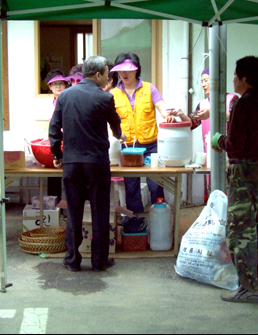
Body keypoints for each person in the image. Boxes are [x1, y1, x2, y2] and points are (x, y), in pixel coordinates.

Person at [211, 56, 258, 303]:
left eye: (236, 76)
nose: (233, 80)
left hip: (244, 174)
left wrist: (218, 140)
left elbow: (235, 146)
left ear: (245, 79)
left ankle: (248, 287)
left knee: (241, 231)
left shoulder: (242, 104)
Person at [50, 55, 126, 272]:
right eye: (107, 73)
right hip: (97, 163)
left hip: (72, 163)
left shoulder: (64, 96)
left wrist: (58, 154)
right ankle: (99, 261)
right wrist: (119, 135)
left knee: (73, 212)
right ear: (98, 74)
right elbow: (115, 124)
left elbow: (54, 128)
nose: (108, 78)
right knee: (100, 211)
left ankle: (72, 260)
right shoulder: (104, 98)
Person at [110, 52, 176, 214]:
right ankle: (136, 222)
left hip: (151, 146)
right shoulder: (113, 94)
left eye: (128, 70)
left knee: (155, 185)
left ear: (136, 70)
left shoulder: (149, 88)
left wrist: (168, 115)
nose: (124, 74)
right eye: (121, 70)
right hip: (127, 148)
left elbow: (162, 106)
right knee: (131, 187)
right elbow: (108, 121)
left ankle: (159, 217)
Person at [171, 67, 238, 199]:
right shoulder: (202, 104)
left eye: (206, 80)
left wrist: (212, 113)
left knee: (230, 187)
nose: (203, 84)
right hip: (211, 152)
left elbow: (237, 117)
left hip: (231, 153)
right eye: (202, 81)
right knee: (212, 186)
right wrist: (181, 115)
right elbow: (191, 123)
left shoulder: (232, 99)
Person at [45, 69, 70, 203]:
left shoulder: (70, 100)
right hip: (55, 143)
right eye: (55, 84)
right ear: (49, 86)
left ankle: (69, 211)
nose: (59, 86)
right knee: (53, 176)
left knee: (71, 179)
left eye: (61, 83)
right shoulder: (49, 105)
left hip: (69, 143)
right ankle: (54, 210)